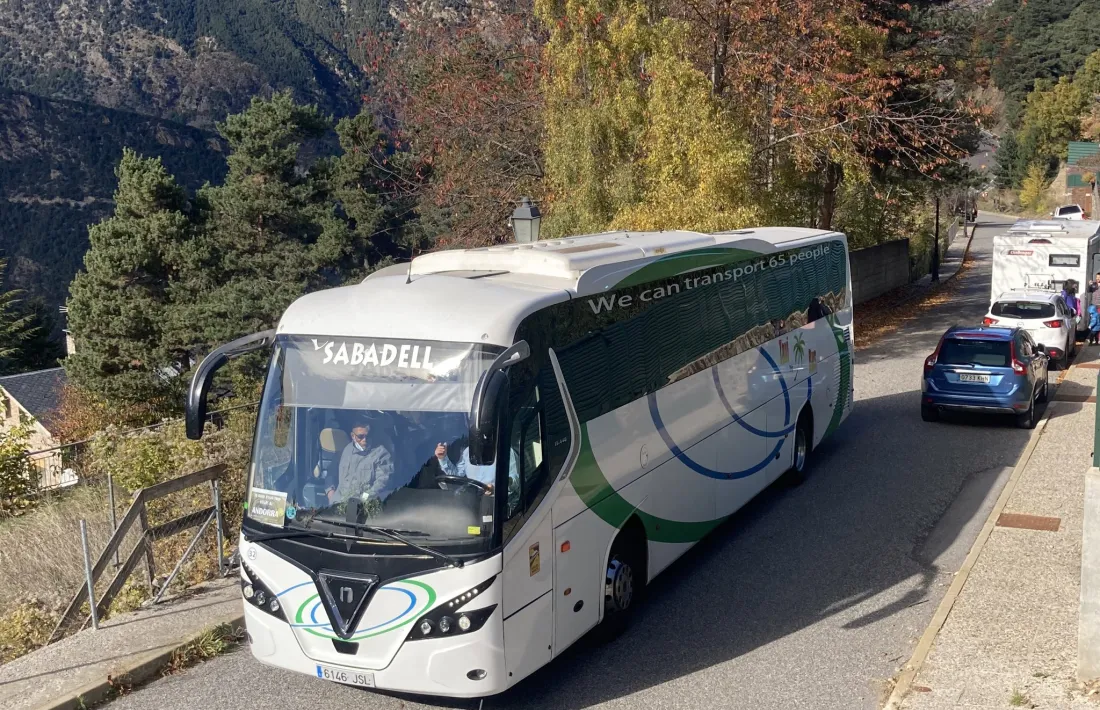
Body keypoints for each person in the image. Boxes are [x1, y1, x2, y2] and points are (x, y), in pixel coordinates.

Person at [435, 441, 520, 510]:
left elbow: (515, 481)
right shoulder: (467, 452)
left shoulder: (506, 451)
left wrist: (497, 486)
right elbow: (457, 475)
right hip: (471, 503)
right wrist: (443, 458)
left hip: (496, 504)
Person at [329, 417, 395, 505]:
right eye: (360, 436)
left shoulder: (381, 454)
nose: (364, 440)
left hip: (362, 507)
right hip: (337, 505)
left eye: (367, 436)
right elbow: (331, 471)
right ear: (353, 436)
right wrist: (330, 491)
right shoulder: (345, 450)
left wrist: (363, 499)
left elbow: (382, 481)